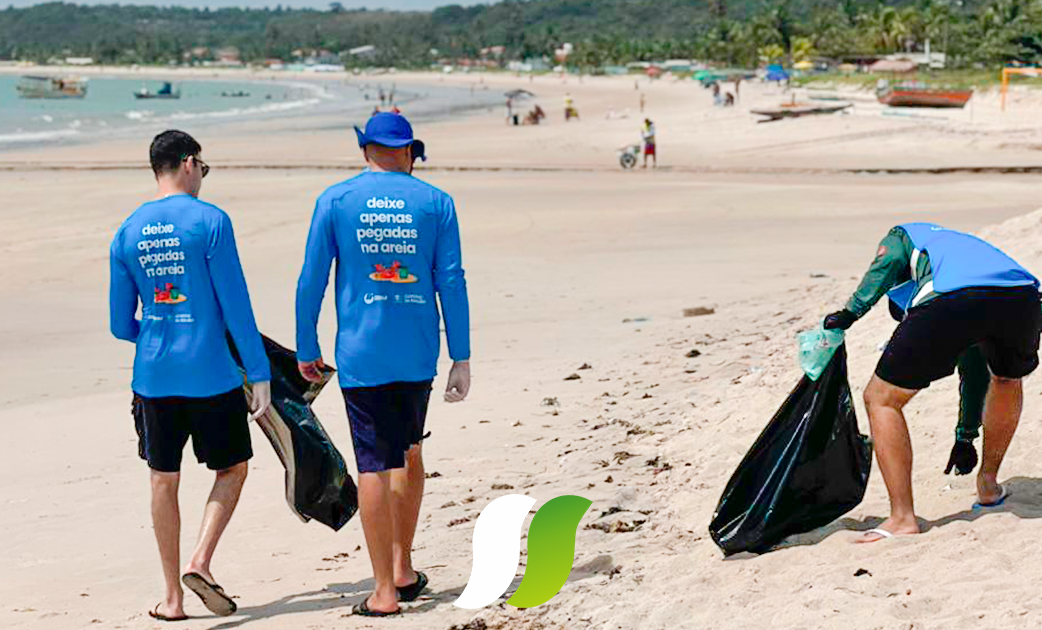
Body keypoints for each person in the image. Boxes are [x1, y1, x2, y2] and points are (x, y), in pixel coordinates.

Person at [295, 112, 471, 616]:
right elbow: (451, 281)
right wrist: (461, 354)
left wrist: (307, 345)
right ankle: (402, 566)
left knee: (374, 463)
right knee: (410, 451)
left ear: (364, 149)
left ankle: (385, 593)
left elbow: (312, 280)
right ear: (410, 152)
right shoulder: (437, 202)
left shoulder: (335, 200)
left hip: (360, 351)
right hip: (417, 351)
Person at [109, 130, 271, 621]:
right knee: (233, 468)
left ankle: (172, 599)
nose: (202, 175)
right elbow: (235, 305)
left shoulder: (128, 230)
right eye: (203, 166)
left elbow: (120, 324)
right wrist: (259, 371)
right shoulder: (211, 221)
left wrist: (160, 336)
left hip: (154, 376)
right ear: (187, 163)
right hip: (212, 375)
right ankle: (200, 560)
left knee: (163, 480)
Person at [822, 223, 1040, 543]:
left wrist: (848, 315)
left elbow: (883, 267)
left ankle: (902, 519)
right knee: (1006, 379)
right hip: (1023, 296)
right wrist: (965, 438)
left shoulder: (901, 235)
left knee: (881, 398)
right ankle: (989, 487)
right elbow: (974, 371)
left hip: (955, 298)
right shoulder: (954, 246)